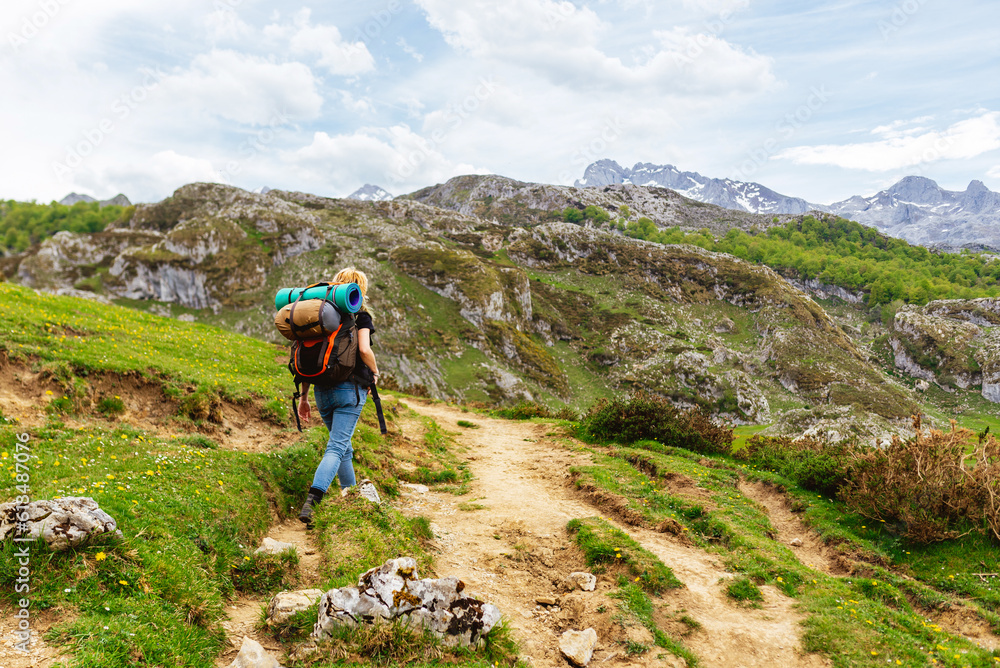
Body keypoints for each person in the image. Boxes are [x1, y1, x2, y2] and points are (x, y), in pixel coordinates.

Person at [297, 267, 379, 526]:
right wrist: (375, 372)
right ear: (359, 290)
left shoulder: (319, 317)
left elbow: (312, 358)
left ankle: (350, 496)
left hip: (321, 392)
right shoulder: (360, 316)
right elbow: (364, 350)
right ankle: (313, 500)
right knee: (337, 447)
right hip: (349, 390)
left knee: (343, 447)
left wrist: (304, 398)